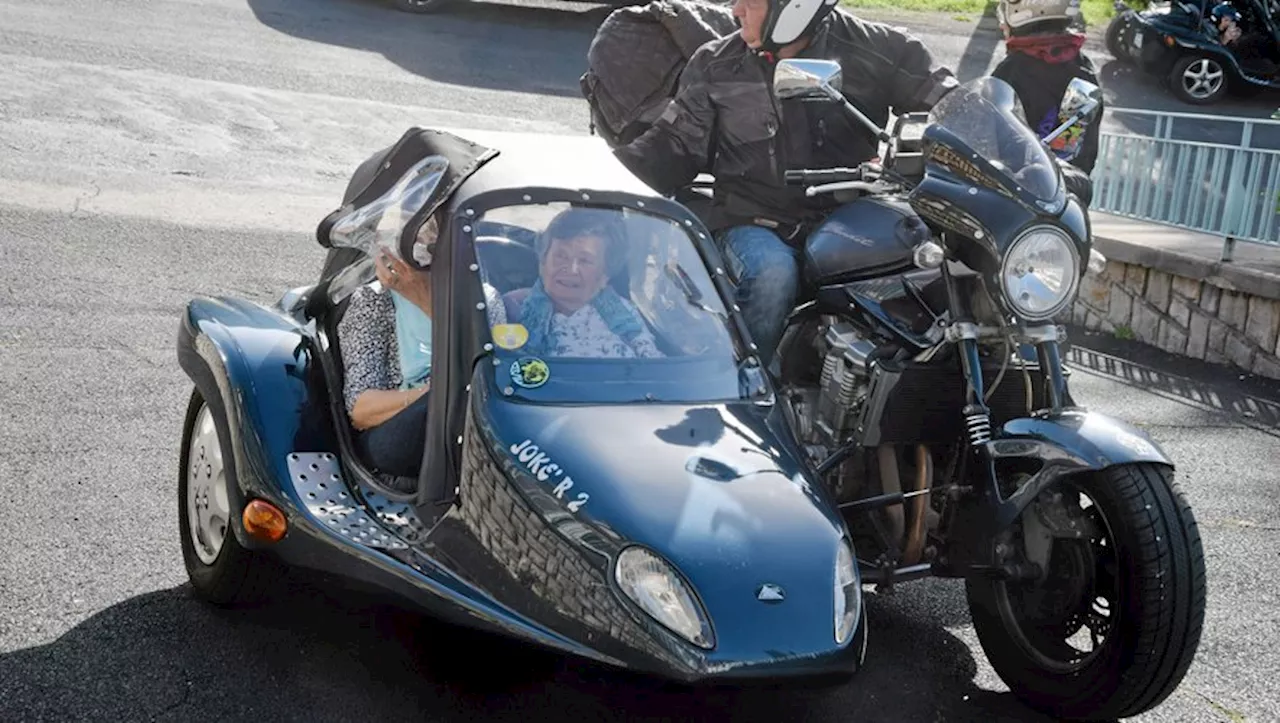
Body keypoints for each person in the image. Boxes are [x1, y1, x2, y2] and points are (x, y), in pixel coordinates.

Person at [610, 0, 958, 367]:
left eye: (750, 2)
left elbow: (952, 106)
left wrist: (1008, 149)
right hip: (753, 221)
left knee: (933, 269)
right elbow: (671, 148)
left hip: (851, 221)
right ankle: (744, 390)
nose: (735, 11)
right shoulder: (718, 64)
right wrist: (600, 180)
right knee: (773, 276)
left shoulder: (880, 48)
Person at [336, 216, 437, 490]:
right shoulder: (374, 300)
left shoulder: (483, 299)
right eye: (419, 235)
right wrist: (432, 394)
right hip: (392, 435)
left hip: (465, 433)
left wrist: (428, 302)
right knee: (451, 402)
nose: (425, 244)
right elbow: (361, 409)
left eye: (435, 237)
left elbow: (490, 373)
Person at [501, 207, 664, 359]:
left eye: (585, 260)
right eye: (561, 256)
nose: (571, 269)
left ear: (605, 274)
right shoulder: (513, 308)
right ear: (543, 262)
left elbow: (652, 366)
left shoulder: (624, 314)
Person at [992, 0, 1102, 205]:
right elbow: (1084, 143)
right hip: (1067, 194)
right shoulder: (1082, 65)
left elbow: (988, 128)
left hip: (1018, 193)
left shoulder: (1012, 69)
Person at [1211, 2, 1280, 80]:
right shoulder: (1211, 32)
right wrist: (1226, 38)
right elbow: (1218, 50)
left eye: (1230, 20)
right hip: (1232, 60)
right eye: (1227, 20)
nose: (1231, 22)